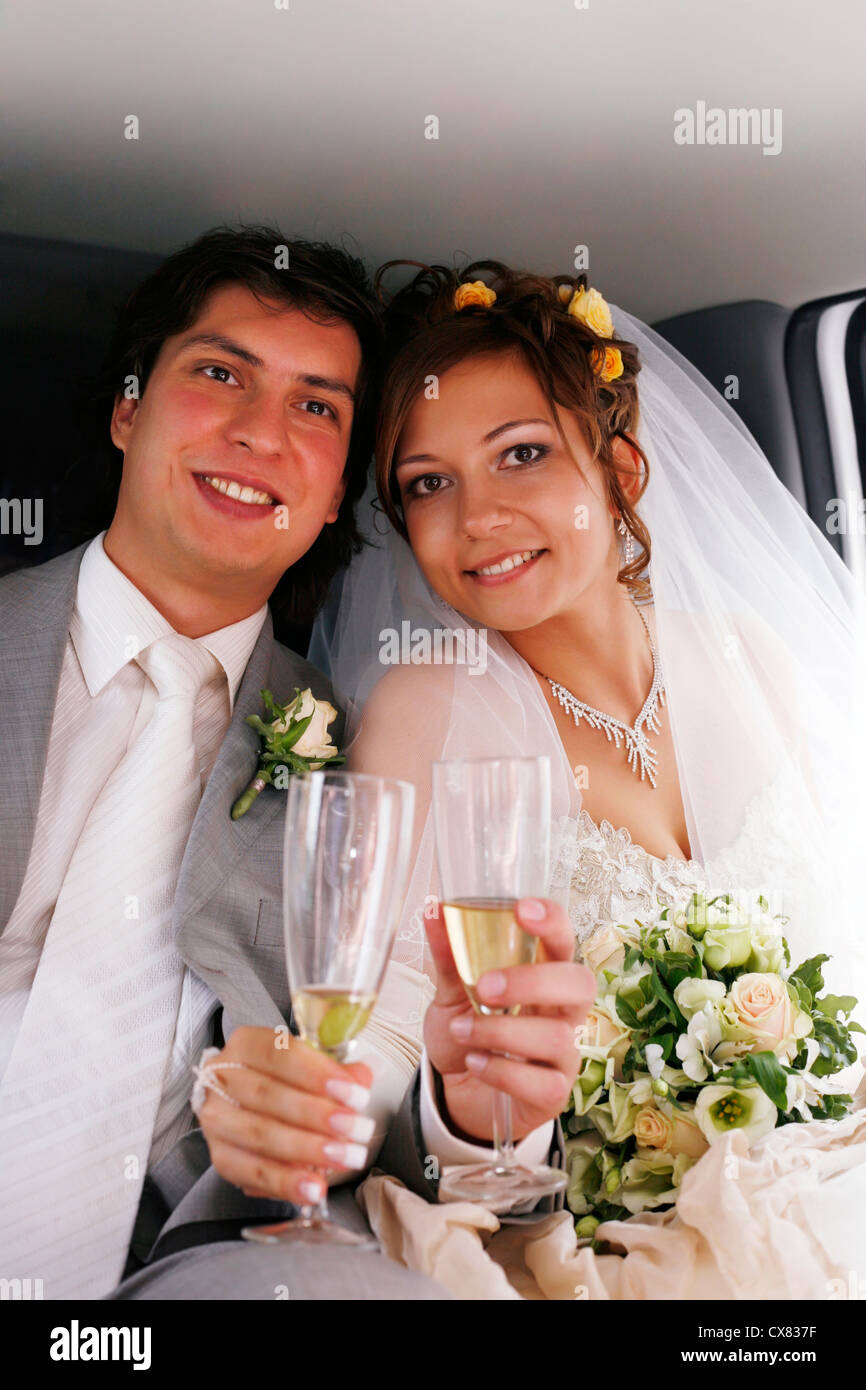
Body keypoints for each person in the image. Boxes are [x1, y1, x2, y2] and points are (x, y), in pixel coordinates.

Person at [0, 227, 594, 1301]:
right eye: (219, 373)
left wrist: (462, 1106)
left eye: (315, 406)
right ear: (128, 409)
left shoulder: (359, 745)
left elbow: (374, 1091)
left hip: (184, 1265)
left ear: (334, 501)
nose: (258, 433)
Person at [311, 259, 866, 1299]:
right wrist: (464, 1109)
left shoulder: (753, 657)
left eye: (519, 454)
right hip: (618, 1244)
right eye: (426, 483)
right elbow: (387, 1041)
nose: (472, 516)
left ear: (620, 470)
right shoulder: (427, 709)